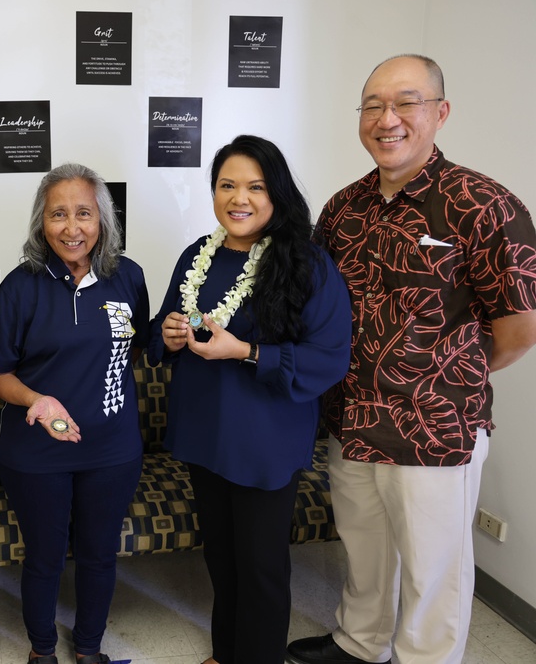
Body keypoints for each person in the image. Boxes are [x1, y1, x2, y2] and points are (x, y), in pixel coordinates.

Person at [286, 55, 536, 664]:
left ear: (440, 113)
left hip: (436, 429)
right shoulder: (343, 210)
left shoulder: (484, 205)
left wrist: (449, 378)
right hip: (352, 422)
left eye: (406, 102)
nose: (387, 118)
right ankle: (360, 642)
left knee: (434, 571)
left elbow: (520, 326)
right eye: (373, 105)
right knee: (365, 549)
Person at [148, 135, 351, 664]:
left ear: (277, 194)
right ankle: (225, 651)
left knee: (260, 567)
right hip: (203, 434)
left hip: (264, 441)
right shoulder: (199, 253)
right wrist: (167, 335)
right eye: (227, 185)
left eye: (255, 187)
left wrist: (246, 351)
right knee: (221, 556)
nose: (239, 198)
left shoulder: (309, 265)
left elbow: (328, 359)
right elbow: (162, 329)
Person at [0, 163, 149, 664]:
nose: (72, 227)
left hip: (113, 449)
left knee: (100, 554)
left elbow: (136, 349)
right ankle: (41, 651)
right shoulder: (20, 286)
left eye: (85, 213)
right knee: (46, 556)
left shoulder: (129, 277)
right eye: (59, 214)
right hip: (36, 452)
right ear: (42, 222)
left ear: (103, 221)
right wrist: (38, 400)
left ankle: (89, 650)